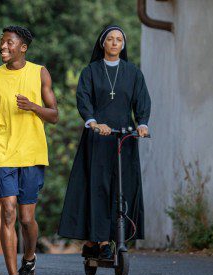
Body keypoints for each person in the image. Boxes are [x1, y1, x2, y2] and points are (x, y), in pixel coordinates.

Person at [0, 25, 59, 275]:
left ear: (23, 47)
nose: (3, 47)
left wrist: (34, 107)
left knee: (26, 218)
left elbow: (54, 114)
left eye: (9, 43)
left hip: (32, 152)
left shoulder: (39, 72)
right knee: (8, 212)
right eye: (2, 43)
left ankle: (29, 259)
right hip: (3, 151)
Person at [58, 25, 151, 260]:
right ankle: (98, 240)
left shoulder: (133, 73)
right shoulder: (90, 72)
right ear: (102, 43)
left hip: (124, 138)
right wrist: (92, 122)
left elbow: (142, 101)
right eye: (110, 39)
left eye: (119, 39)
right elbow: (84, 98)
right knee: (98, 187)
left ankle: (115, 237)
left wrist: (142, 123)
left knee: (123, 187)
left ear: (123, 45)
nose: (114, 43)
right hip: (98, 138)